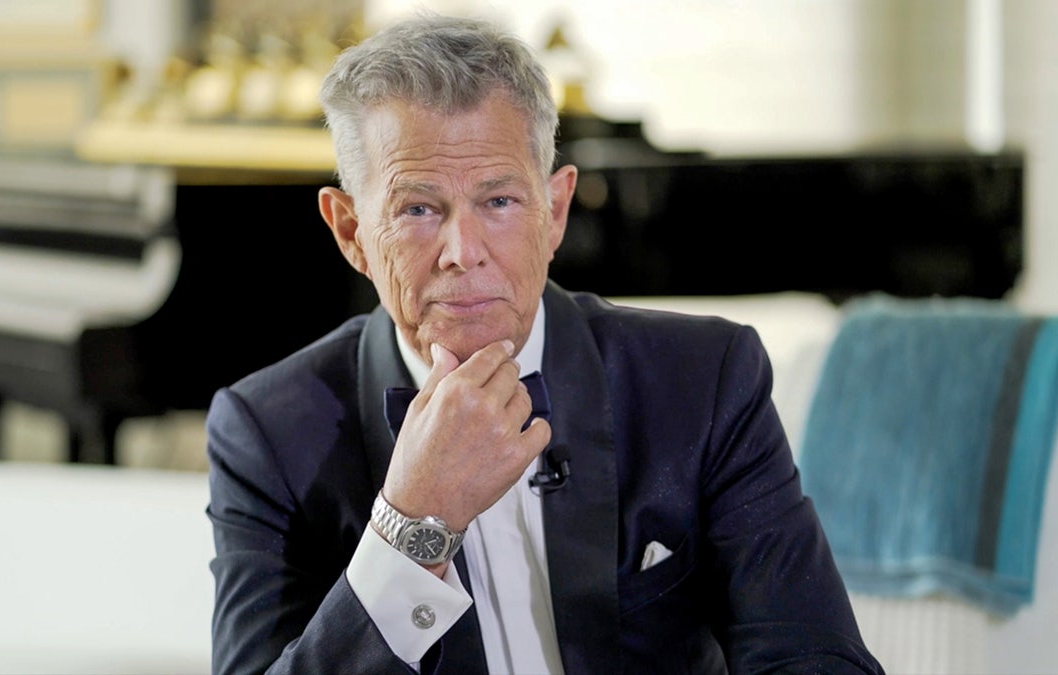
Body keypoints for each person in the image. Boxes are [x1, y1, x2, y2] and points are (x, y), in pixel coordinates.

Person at [206, 11, 884, 675]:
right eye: (418, 209)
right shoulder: (267, 431)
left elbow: (818, 658)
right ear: (350, 230)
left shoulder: (705, 380)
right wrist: (413, 525)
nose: (462, 252)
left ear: (555, 210)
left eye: (499, 202)